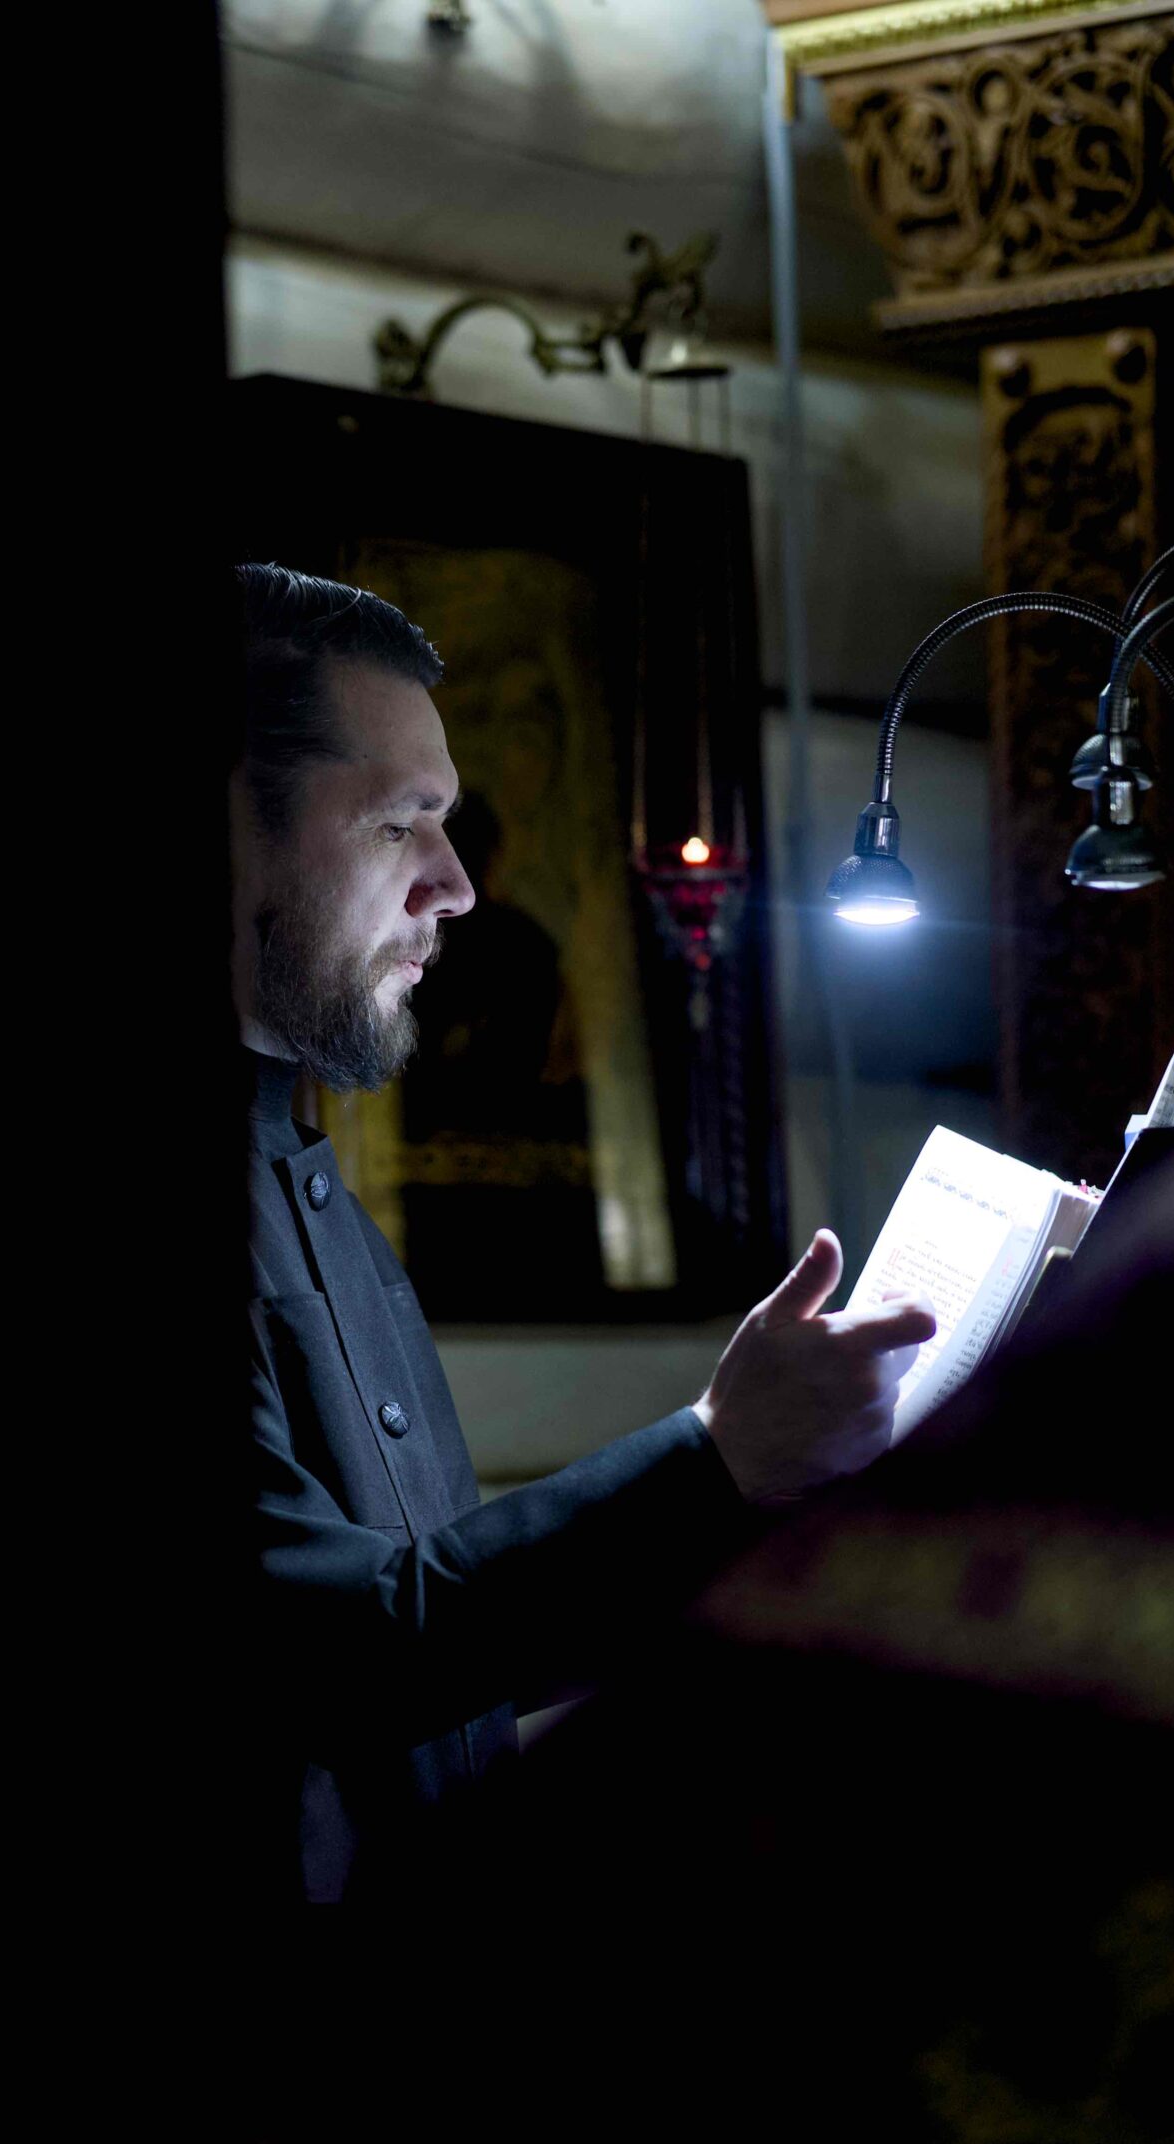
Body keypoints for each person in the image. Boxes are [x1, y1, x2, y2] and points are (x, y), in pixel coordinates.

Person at [237, 563, 935, 1903]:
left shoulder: (311, 1189)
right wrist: (712, 1456)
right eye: (402, 823)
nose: (457, 883)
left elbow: (453, 1657)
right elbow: (339, 1662)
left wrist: (758, 1508)